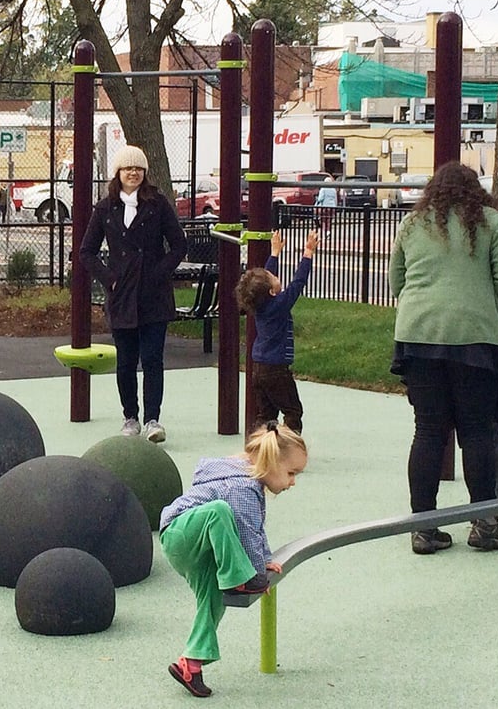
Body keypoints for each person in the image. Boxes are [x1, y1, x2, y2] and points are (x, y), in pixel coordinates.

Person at [389, 160, 498, 555]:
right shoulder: (492, 222)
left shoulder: (412, 223)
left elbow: (397, 280)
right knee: (477, 430)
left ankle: (423, 527)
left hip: (418, 335)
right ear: (476, 191)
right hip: (475, 337)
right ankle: (484, 524)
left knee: (429, 430)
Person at [159, 421, 307, 698]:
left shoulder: (250, 483)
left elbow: (254, 526)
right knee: (218, 511)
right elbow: (245, 530)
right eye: (291, 473)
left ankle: (190, 664)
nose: (293, 482)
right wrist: (253, 572)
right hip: (181, 533)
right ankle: (237, 579)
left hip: (203, 548)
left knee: (213, 601)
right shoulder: (240, 486)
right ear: (271, 462)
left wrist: (264, 559)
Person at [80, 145, 188, 443]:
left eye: (138, 168)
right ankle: (130, 417)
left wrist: (159, 273)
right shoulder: (105, 208)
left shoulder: (158, 204)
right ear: (118, 172)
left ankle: (153, 420)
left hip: (154, 296)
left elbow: (179, 244)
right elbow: (86, 252)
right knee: (126, 362)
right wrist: (110, 280)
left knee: (152, 360)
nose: (133, 173)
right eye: (128, 168)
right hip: (122, 297)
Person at [234, 229, 319, 434]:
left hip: (258, 367)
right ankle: (290, 446)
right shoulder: (279, 305)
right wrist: (308, 253)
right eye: (274, 277)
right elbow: (297, 283)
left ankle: (258, 445)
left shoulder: (259, 303)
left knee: (266, 414)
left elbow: (263, 280)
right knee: (292, 411)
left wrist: (274, 253)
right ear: (272, 291)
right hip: (276, 369)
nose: (275, 275)